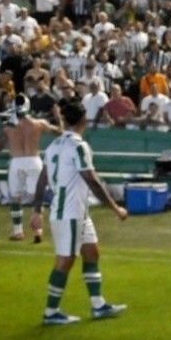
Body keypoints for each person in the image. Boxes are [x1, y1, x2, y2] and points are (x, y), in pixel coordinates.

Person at [32, 99, 129, 325]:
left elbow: (42, 179)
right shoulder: (78, 146)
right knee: (66, 260)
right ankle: (51, 312)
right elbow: (92, 180)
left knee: (92, 253)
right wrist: (115, 208)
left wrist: (37, 210)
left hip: (77, 212)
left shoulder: (54, 145)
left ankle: (98, 305)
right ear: (84, 120)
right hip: (70, 212)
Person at [0, 94, 57, 241]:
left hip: (17, 161)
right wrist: (60, 119)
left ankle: (18, 231)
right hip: (34, 161)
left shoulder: (9, 127)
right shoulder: (39, 123)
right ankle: (38, 231)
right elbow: (59, 131)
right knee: (37, 197)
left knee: (15, 197)